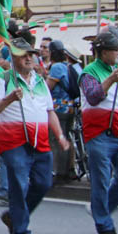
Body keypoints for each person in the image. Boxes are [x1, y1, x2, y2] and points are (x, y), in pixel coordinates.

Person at [0, 36, 69, 234]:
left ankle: (15, 217)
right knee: (19, 184)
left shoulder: (41, 81)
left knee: (43, 184)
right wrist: (9, 100)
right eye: (23, 55)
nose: (28, 58)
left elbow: (49, 111)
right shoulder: (3, 79)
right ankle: (22, 233)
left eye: (30, 55)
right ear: (13, 57)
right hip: (13, 141)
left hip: (39, 141)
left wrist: (60, 135)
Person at [79, 32, 118, 234]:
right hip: (99, 134)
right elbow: (93, 97)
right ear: (104, 52)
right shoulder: (89, 72)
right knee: (101, 181)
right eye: (115, 50)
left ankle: (100, 207)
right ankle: (104, 225)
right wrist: (111, 80)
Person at [45, 41, 78, 180]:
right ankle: (67, 169)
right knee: (65, 136)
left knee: (57, 138)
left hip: (59, 107)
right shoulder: (68, 66)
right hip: (70, 106)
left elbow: (48, 88)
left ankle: (58, 171)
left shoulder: (57, 67)